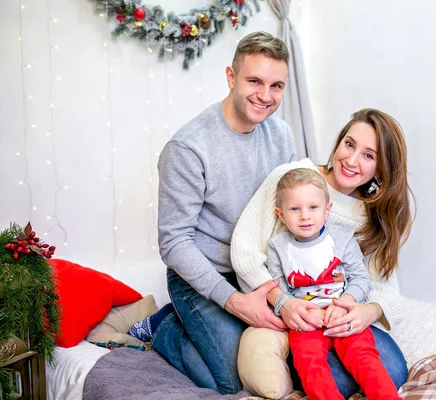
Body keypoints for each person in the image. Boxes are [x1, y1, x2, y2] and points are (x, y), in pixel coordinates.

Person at [231, 108, 414, 398]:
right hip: (295, 313)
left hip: (341, 314)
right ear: (339, 142)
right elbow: (244, 253)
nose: (352, 160)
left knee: (392, 369)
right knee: (324, 377)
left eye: (369, 155)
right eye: (349, 144)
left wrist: (366, 311)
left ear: (381, 169)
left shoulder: (372, 214)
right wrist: (284, 303)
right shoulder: (292, 181)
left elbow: (384, 289)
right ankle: (168, 327)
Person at [150, 31, 296, 394]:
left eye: (276, 85)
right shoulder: (189, 147)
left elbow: (287, 213)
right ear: (231, 78)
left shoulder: (281, 136)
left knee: (284, 362)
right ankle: (166, 329)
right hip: (204, 274)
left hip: (257, 269)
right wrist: (235, 303)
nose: (265, 95)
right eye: (254, 81)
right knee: (236, 379)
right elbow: (173, 242)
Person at [269, 168, 402, 400]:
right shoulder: (277, 246)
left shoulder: (342, 238)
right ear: (281, 215)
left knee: (364, 357)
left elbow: (361, 278)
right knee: (309, 364)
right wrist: (300, 310)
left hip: (342, 314)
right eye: (294, 209)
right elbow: (279, 288)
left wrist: (346, 302)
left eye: (313, 207)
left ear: (327, 210)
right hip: (307, 320)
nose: (305, 216)